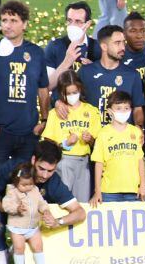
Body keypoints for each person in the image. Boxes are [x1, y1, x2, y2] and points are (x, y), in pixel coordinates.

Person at [0, 140, 87, 264]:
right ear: (33, 160)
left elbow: (80, 212)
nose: (45, 175)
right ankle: (0, 250)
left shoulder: (54, 182)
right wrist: (6, 208)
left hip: (30, 221)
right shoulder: (14, 167)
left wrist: (58, 222)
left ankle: (20, 251)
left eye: (50, 170)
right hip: (5, 210)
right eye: (41, 169)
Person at [0, 0, 50, 172]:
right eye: (4, 20)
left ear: (25, 24)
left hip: (29, 131)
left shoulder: (36, 53)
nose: (7, 25)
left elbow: (43, 89)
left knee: (24, 181)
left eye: (13, 20)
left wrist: (44, 120)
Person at [40, 70, 101, 203]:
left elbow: (98, 144)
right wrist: (65, 143)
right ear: (62, 93)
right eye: (68, 93)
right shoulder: (55, 113)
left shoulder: (91, 111)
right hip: (63, 161)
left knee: (82, 202)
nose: (72, 96)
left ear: (80, 89)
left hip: (84, 162)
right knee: (62, 201)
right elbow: (48, 144)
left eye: (75, 92)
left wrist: (90, 139)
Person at [78, 25, 145, 125]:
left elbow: (138, 108)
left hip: (121, 137)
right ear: (104, 46)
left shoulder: (132, 75)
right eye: (117, 43)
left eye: (123, 42)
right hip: (92, 136)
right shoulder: (85, 72)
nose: (123, 47)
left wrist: (139, 128)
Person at [90, 91, 145, 205]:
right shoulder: (103, 133)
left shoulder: (136, 132)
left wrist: (143, 185)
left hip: (133, 190)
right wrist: (98, 190)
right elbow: (98, 163)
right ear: (110, 111)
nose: (123, 111)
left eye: (126, 108)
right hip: (109, 192)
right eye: (119, 108)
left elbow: (140, 161)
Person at [0, 163, 51, 264]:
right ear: (15, 181)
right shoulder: (12, 192)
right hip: (17, 227)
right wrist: (17, 209)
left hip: (33, 227)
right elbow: (6, 205)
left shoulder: (35, 190)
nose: (27, 187)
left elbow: (41, 203)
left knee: (38, 247)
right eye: (24, 185)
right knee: (19, 248)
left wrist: (45, 210)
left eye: (30, 184)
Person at [44, 1, 100, 90]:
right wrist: (67, 62)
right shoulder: (54, 46)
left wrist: (95, 69)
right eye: (69, 21)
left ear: (88, 24)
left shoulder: (99, 48)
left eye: (78, 21)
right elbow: (47, 86)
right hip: (60, 102)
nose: (73, 25)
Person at [122, 12, 145, 78]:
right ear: (124, 34)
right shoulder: (118, 55)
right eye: (133, 31)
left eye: (143, 31)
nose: (139, 36)